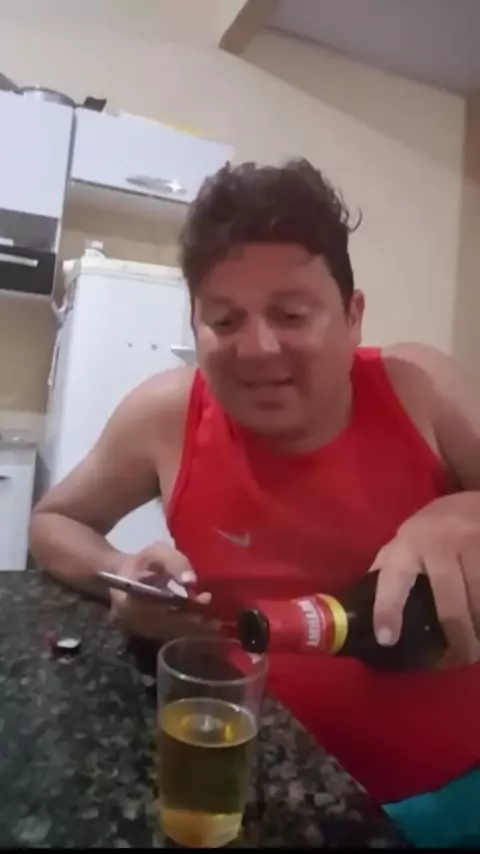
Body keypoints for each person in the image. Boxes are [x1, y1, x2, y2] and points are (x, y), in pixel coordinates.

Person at [30, 159, 480, 847]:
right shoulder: (165, 415)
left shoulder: (420, 390)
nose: (259, 347)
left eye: (291, 315)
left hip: (449, 800)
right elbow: (54, 521)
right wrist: (122, 575)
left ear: (353, 317)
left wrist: (462, 512)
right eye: (225, 319)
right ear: (196, 324)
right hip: (245, 789)